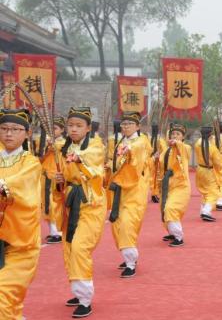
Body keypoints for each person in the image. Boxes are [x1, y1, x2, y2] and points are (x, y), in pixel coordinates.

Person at [52, 107, 107, 318]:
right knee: (68, 248)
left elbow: (90, 165)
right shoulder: (63, 148)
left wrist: (75, 158)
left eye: (78, 126)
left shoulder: (95, 146)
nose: (73, 129)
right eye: (70, 125)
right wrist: (60, 182)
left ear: (88, 128)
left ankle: (85, 299)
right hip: (70, 202)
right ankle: (78, 289)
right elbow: (63, 177)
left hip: (91, 204)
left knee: (79, 247)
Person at [0, 108, 42, 319]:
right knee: (11, 305)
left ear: (27, 133)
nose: (9, 134)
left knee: (2, 297)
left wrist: (3, 185)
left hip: (20, 244)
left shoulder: (30, 163)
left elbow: (20, 186)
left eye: (15, 129)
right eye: (4, 129)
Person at [108, 111, 151, 278]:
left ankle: (131, 263)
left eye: (129, 124)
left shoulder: (141, 141)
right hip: (120, 189)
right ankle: (128, 254)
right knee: (116, 224)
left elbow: (137, 151)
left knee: (127, 223)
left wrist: (128, 150)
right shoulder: (119, 141)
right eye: (124, 124)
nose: (125, 126)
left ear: (137, 126)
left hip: (135, 190)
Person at [159, 123, 192, 247]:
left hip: (181, 185)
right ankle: (171, 232)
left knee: (171, 208)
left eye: (178, 134)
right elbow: (161, 165)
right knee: (164, 208)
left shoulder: (185, 148)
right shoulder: (166, 150)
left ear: (183, 137)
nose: (175, 136)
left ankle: (179, 237)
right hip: (168, 184)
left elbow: (183, 148)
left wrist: (176, 143)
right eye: (173, 134)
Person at [42, 116, 67, 244]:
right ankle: (53, 231)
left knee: (53, 205)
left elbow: (57, 147)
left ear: (62, 130)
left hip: (55, 177)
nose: (52, 130)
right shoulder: (50, 142)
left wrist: (49, 143)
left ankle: (57, 232)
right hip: (46, 175)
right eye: (50, 128)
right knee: (46, 204)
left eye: (55, 128)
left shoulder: (62, 143)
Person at [194, 126, 222, 222]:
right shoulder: (212, 148)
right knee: (214, 192)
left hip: (199, 169)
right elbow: (219, 165)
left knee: (205, 191)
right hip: (207, 171)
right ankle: (206, 211)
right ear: (211, 136)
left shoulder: (197, 144)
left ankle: (203, 210)